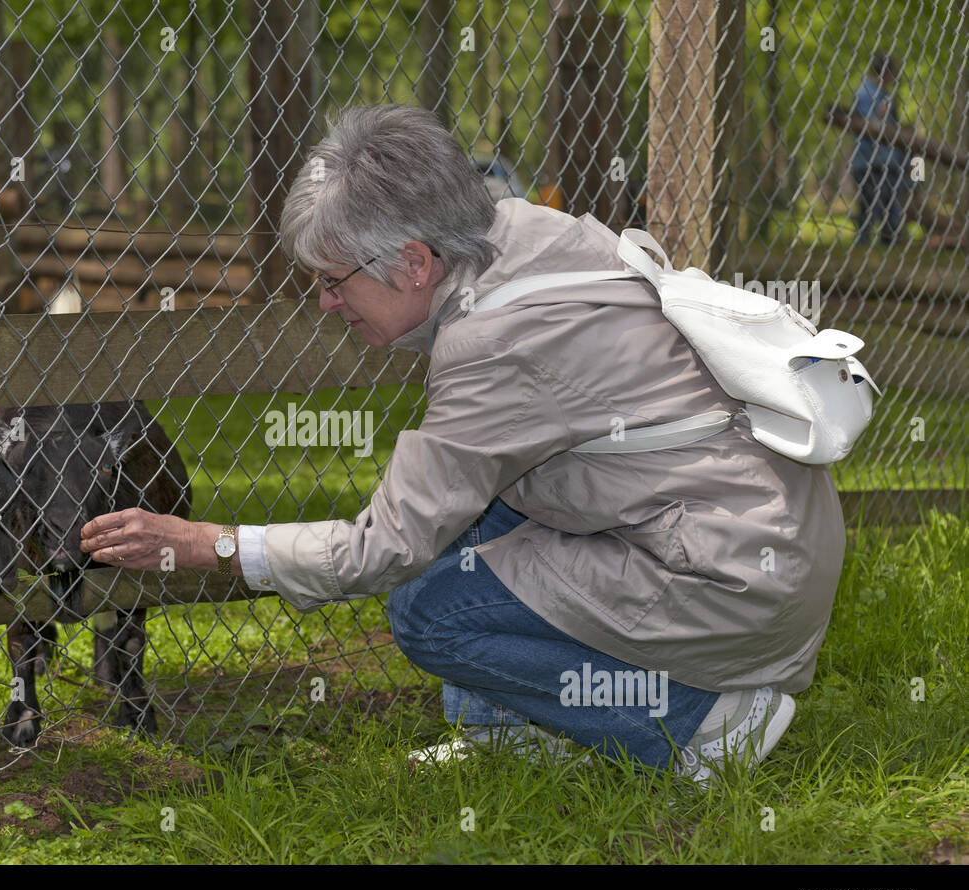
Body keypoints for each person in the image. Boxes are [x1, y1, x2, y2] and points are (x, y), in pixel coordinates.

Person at [80, 104, 847, 785]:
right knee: (470, 521)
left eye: (333, 276)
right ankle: (510, 729)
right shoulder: (519, 232)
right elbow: (453, 489)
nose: (324, 298)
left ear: (415, 261)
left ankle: (699, 724)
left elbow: (380, 549)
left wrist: (212, 543)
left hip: (729, 577)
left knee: (427, 610)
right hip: (762, 537)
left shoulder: (491, 345)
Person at [851, 51, 910, 246]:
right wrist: (878, 115)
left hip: (887, 161)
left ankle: (889, 246)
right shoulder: (864, 92)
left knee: (890, 208)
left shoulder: (884, 93)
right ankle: (862, 245)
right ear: (887, 73)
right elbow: (868, 126)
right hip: (868, 162)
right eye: (892, 74)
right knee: (871, 207)